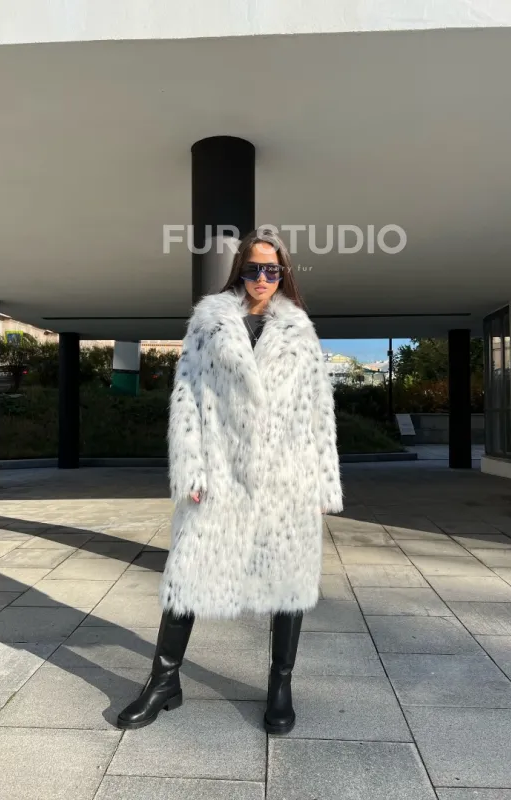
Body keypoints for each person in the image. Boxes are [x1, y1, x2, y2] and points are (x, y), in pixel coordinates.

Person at [117, 230, 343, 734]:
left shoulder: (300, 331)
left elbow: (318, 412)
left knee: (289, 580)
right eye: (253, 268)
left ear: (282, 274)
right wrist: (191, 469)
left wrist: (322, 482)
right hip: (220, 471)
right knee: (186, 574)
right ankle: (163, 681)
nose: (262, 278)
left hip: (286, 477)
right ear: (239, 271)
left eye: (271, 270)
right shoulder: (209, 323)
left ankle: (280, 686)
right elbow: (186, 400)